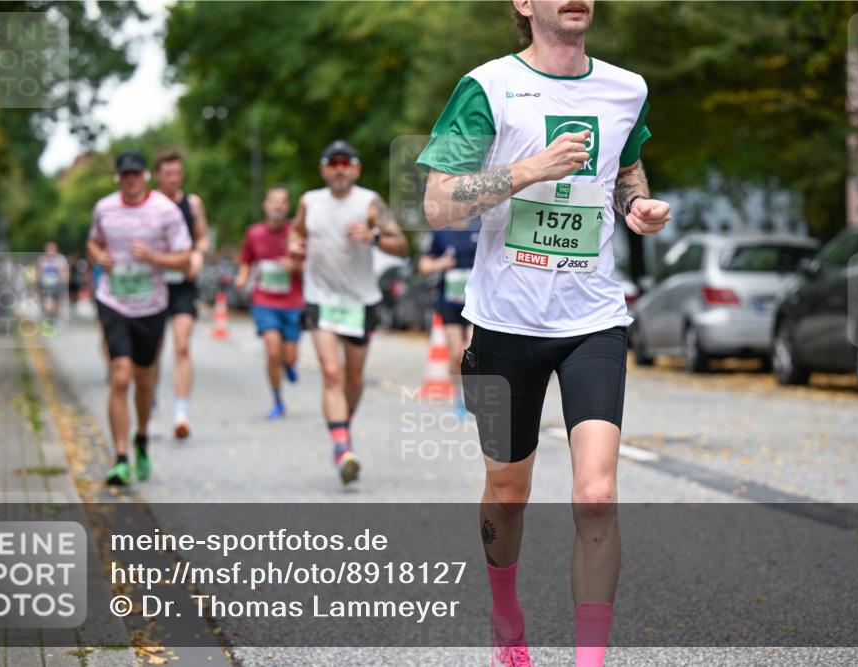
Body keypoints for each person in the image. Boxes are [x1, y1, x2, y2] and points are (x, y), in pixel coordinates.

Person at [418, 2, 672, 665]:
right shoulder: (487, 87)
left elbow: (624, 170)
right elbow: (439, 202)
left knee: (597, 494)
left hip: (593, 319)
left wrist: (636, 205)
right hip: (504, 322)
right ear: (524, 4)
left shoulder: (627, 88)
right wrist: (530, 168)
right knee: (508, 492)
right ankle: (506, 615)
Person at [288, 140, 409, 485]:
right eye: (333, 163)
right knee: (331, 373)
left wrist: (373, 236)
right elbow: (296, 232)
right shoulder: (309, 201)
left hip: (360, 301)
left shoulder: (369, 202)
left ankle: (342, 426)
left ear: (356, 169)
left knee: (354, 380)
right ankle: (342, 447)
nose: (339, 169)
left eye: (346, 163)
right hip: (321, 298)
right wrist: (295, 246)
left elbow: (401, 245)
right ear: (323, 169)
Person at [87, 150, 192, 485]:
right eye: (125, 175)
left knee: (145, 381)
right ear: (118, 177)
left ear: (145, 176)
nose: (130, 180)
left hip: (151, 305)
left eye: (136, 174)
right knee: (120, 376)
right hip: (113, 300)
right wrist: (99, 256)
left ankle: (142, 437)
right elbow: (93, 242)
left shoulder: (165, 210)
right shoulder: (104, 208)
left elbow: (185, 258)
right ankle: (120, 458)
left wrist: (153, 257)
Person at [149, 149, 210, 439]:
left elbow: (202, 237)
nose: (174, 178)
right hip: (155, 282)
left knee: (182, 345)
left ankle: (181, 414)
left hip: (184, 282)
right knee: (153, 350)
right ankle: (151, 410)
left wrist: (197, 255)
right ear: (158, 175)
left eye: (178, 173)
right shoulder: (149, 203)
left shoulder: (192, 203)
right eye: (168, 173)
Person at [235, 185, 304, 420]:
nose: (278, 205)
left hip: (292, 302)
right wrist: (242, 277)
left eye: (282, 201)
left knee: (289, 356)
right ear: (265, 205)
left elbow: (311, 265)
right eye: (274, 200)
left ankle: (290, 365)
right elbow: (247, 261)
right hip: (264, 301)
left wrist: (294, 266)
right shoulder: (254, 233)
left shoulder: (296, 233)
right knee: (273, 351)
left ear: (288, 206)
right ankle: (277, 400)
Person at [417, 219, 480, 417]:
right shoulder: (441, 233)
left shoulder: (480, 227)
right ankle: (459, 397)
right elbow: (423, 265)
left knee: (471, 350)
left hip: (474, 304)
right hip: (449, 303)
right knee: (456, 355)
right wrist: (441, 263)